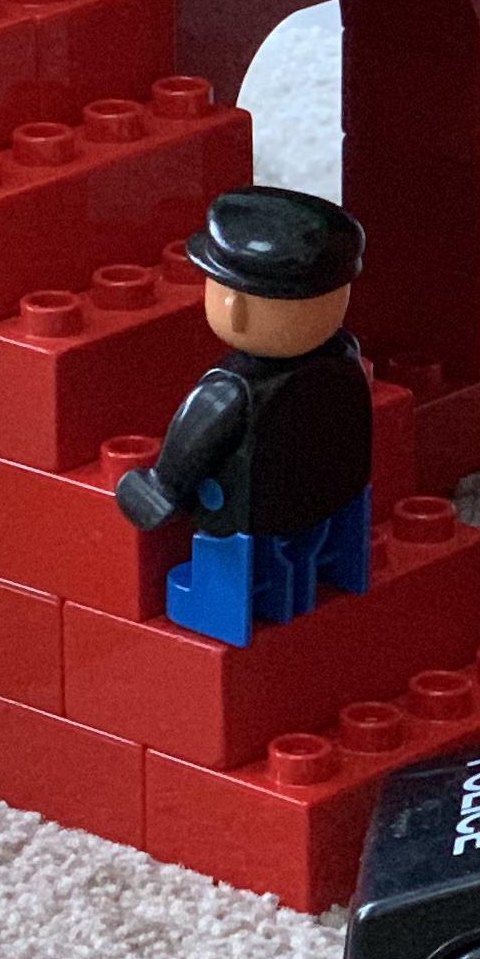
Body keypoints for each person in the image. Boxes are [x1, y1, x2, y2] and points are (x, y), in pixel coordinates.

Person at [116, 188, 375, 643]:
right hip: (332, 501)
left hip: (248, 519)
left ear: (235, 308)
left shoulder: (230, 389)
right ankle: (332, 571)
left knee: (218, 541)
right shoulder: (345, 355)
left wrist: (159, 488)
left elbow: (187, 448)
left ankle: (216, 606)